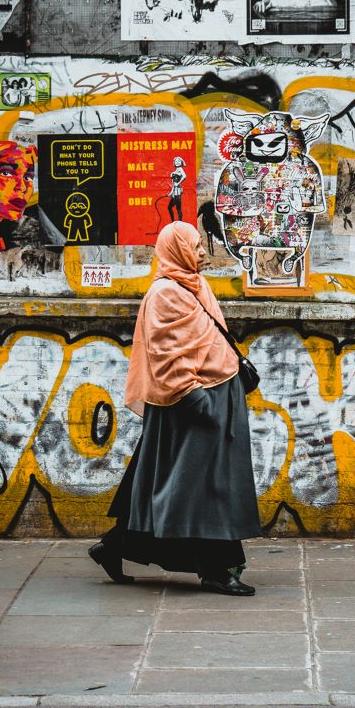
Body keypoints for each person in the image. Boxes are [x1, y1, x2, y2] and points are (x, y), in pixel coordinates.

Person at [89, 221, 262, 596]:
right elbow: (165, 352)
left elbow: (212, 339)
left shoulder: (194, 285)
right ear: (178, 250)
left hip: (217, 396)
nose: (202, 252)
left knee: (175, 485)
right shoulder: (165, 293)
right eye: (196, 246)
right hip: (192, 404)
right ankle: (217, 570)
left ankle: (115, 547)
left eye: (201, 245)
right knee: (203, 489)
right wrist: (194, 398)